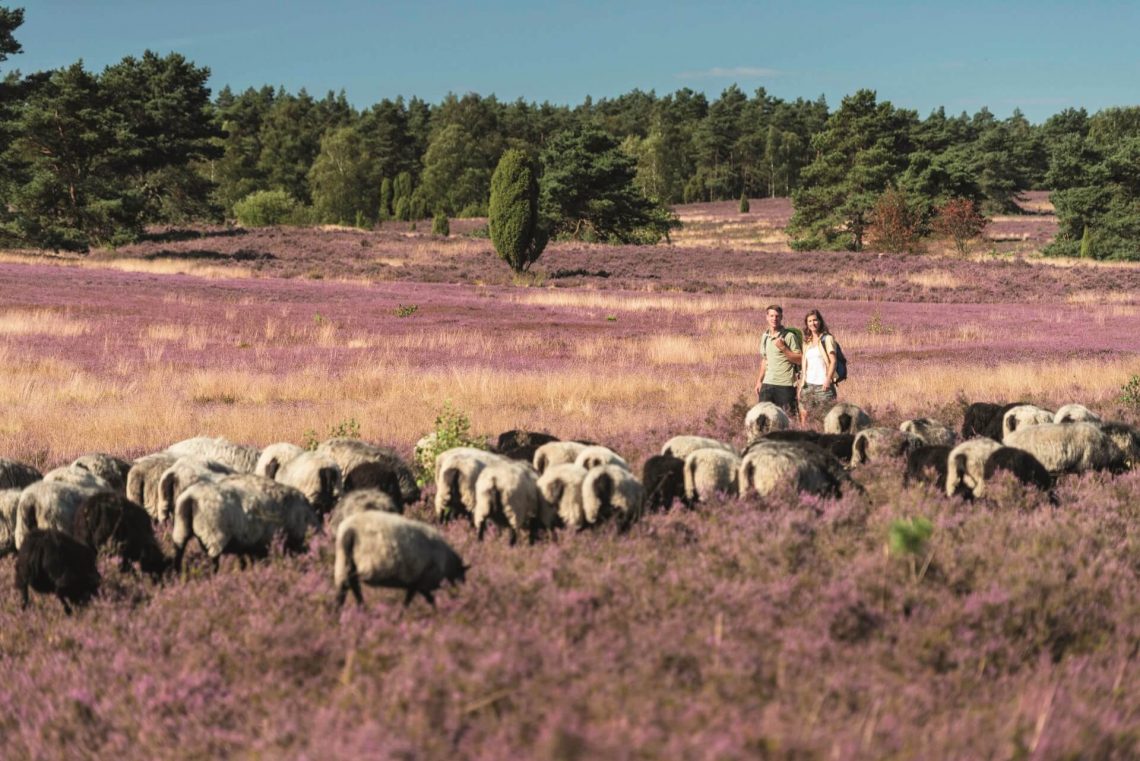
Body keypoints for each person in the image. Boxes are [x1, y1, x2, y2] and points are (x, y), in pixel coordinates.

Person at [753, 304, 802, 416]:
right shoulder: (765, 336)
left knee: (788, 420)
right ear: (767, 317)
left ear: (781, 317)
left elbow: (799, 359)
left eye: (777, 316)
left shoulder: (789, 336)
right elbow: (765, 360)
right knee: (763, 419)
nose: (774, 319)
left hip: (785, 385)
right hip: (767, 384)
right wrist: (759, 381)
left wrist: (783, 348)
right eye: (771, 316)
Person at [797, 308, 838, 426]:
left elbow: (833, 361)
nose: (812, 323)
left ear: (820, 321)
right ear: (806, 324)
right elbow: (805, 365)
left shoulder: (827, 339)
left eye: (815, 320)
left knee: (826, 419)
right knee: (804, 418)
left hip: (823, 387)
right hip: (807, 386)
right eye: (809, 321)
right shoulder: (807, 342)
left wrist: (828, 379)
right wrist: (801, 385)